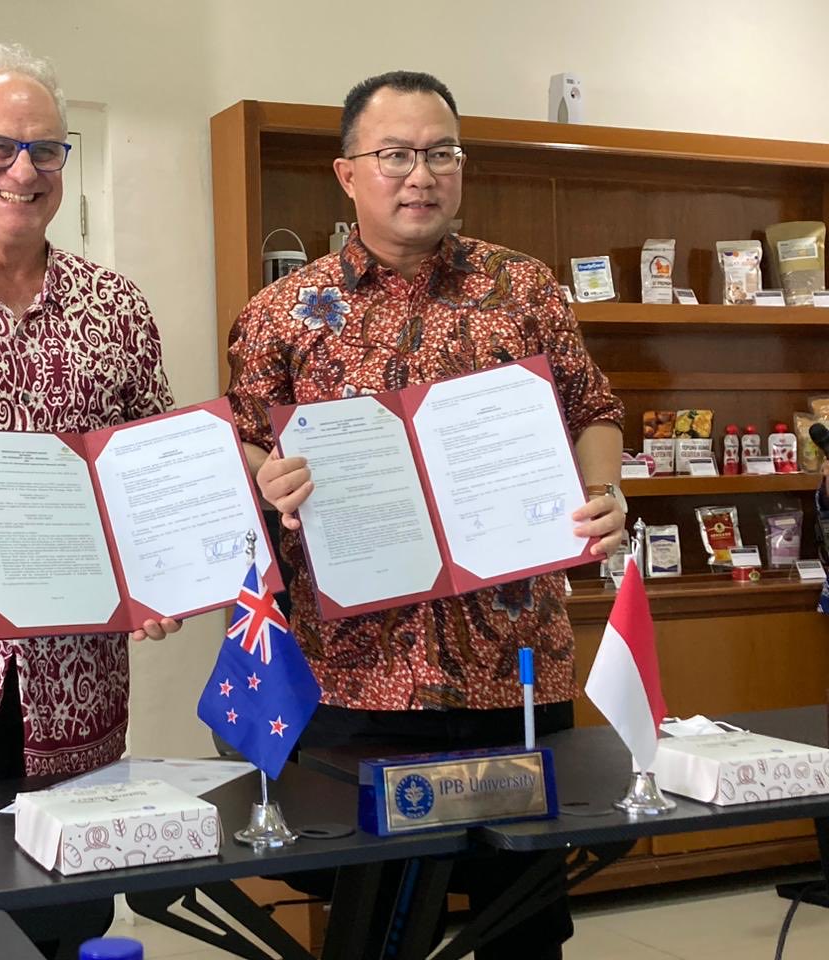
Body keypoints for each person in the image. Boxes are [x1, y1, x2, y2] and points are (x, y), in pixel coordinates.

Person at [226, 70, 626, 959]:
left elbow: (591, 409)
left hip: (511, 665)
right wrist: (269, 476)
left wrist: (607, 491)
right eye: (396, 155)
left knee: (520, 918)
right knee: (369, 921)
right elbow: (242, 441)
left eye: (441, 153)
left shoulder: (524, 289)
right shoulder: (281, 312)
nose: (422, 175)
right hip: (356, 672)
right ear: (347, 173)